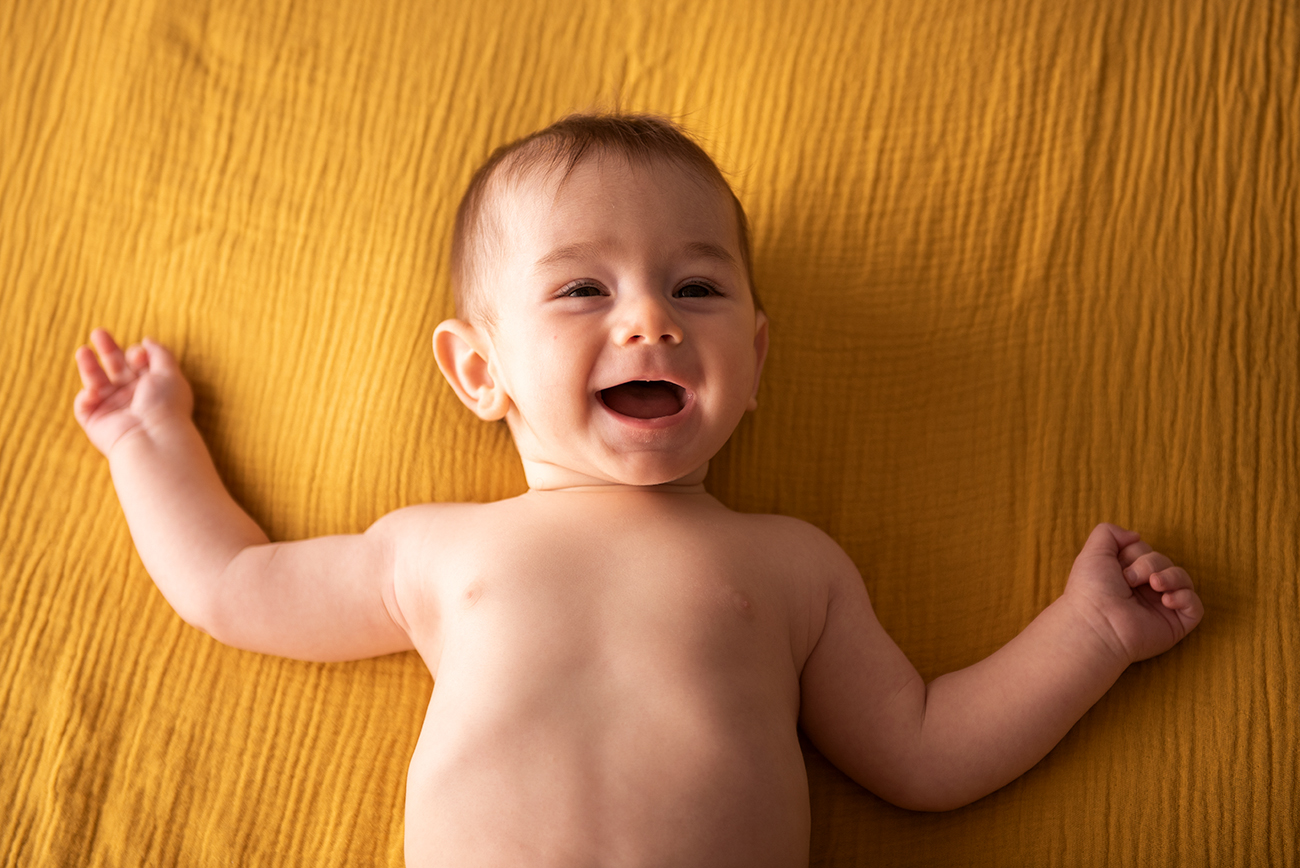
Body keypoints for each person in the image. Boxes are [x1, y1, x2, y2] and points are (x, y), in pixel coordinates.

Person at [72, 113, 1203, 867]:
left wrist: (1088, 633)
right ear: (480, 369)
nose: (649, 318)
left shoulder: (790, 563)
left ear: (754, 362)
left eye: (696, 285)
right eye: (579, 288)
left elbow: (920, 751)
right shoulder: (437, 551)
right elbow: (234, 582)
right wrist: (146, 442)